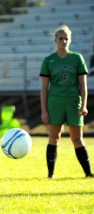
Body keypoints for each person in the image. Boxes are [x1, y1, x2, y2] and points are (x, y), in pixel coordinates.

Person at [40, 25, 93, 179]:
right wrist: (44, 110)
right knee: (54, 138)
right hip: (55, 102)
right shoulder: (49, 60)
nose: (63, 41)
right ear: (55, 40)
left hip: (73, 102)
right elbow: (44, 88)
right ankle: (51, 174)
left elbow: (83, 85)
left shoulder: (77, 58)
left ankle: (88, 173)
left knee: (77, 138)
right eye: (60, 38)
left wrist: (84, 105)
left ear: (70, 40)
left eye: (66, 38)